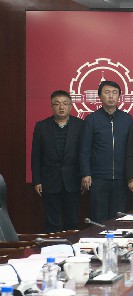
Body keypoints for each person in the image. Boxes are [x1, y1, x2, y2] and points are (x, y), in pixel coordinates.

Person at [31, 90, 85, 232]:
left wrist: (84, 175)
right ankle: (52, 244)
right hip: (49, 181)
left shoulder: (80, 125)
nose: (61, 107)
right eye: (57, 104)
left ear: (70, 106)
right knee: (51, 223)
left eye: (65, 104)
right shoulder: (41, 126)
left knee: (72, 222)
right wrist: (37, 180)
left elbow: (84, 153)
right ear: (51, 106)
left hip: (73, 181)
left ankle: (72, 246)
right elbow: (36, 156)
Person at [80, 81, 133, 222]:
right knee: (99, 217)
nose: (111, 96)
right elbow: (85, 149)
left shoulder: (127, 119)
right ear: (100, 96)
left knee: (118, 218)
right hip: (98, 178)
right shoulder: (92, 119)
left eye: (115, 93)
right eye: (107, 92)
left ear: (119, 96)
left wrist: (131, 176)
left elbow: (131, 150)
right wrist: (86, 173)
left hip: (121, 178)